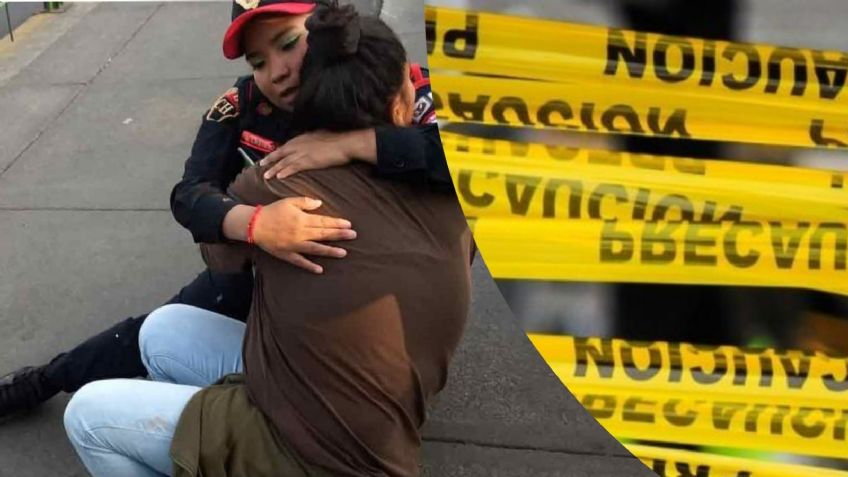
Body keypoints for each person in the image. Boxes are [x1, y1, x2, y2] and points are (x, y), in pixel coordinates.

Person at [64, 3, 474, 476]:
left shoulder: (280, 175)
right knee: (161, 329)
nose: (278, 72)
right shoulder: (452, 166)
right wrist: (259, 226)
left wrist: (355, 145)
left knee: (89, 416)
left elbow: (217, 250)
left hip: (330, 446)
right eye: (258, 63)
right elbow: (190, 195)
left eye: (287, 44)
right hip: (380, 381)